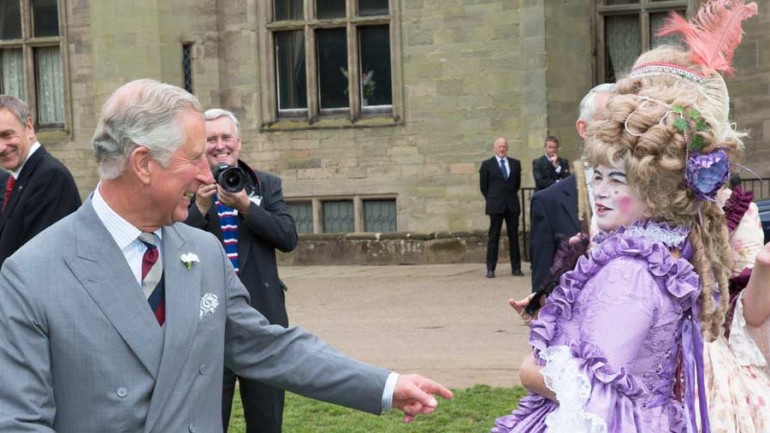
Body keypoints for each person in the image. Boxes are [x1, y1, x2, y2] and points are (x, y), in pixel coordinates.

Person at [0, 79, 453, 433]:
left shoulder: (202, 251)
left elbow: (269, 346)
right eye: (194, 158)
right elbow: (21, 422)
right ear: (142, 163)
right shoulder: (32, 274)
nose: (207, 174)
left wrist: (386, 385)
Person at [490, 0, 762, 426]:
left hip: (689, 368)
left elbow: (735, 310)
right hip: (625, 356)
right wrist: (558, 305)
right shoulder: (624, 219)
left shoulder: (712, 213)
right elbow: (600, 268)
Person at [184, 108, 297, 433]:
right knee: (206, 422)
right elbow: (173, 246)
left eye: (226, 137)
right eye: (211, 139)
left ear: (238, 142)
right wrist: (200, 209)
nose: (220, 145)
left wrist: (246, 206)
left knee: (266, 421)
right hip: (206, 325)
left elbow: (288, 238)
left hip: (261, 320)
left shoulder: (266, 185)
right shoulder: (186, 190)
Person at [529, 84, 612, 293]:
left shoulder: (649, 197)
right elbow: (542, 295)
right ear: (584, 128)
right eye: (609, 121)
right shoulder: (549, 202)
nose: (619, 132)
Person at [0, 95, 81, 266]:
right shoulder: (21, 178)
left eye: (7, 135)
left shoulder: (50, 177)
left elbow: (39, 263)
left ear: (29, 127)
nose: (1, 147)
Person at [479, 136, 522, 278]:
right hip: (495, 206)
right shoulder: (487, 165)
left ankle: (516, 268)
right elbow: (484, 187)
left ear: (507, 148)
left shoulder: (515, 164)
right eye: (499, 147)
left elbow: (516, 184)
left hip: (511, 205)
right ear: (495, 148)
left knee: (514, 237)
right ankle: (490, 268)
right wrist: (493, 199)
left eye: (504, 146)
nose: (502, 149)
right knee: (494, 237)